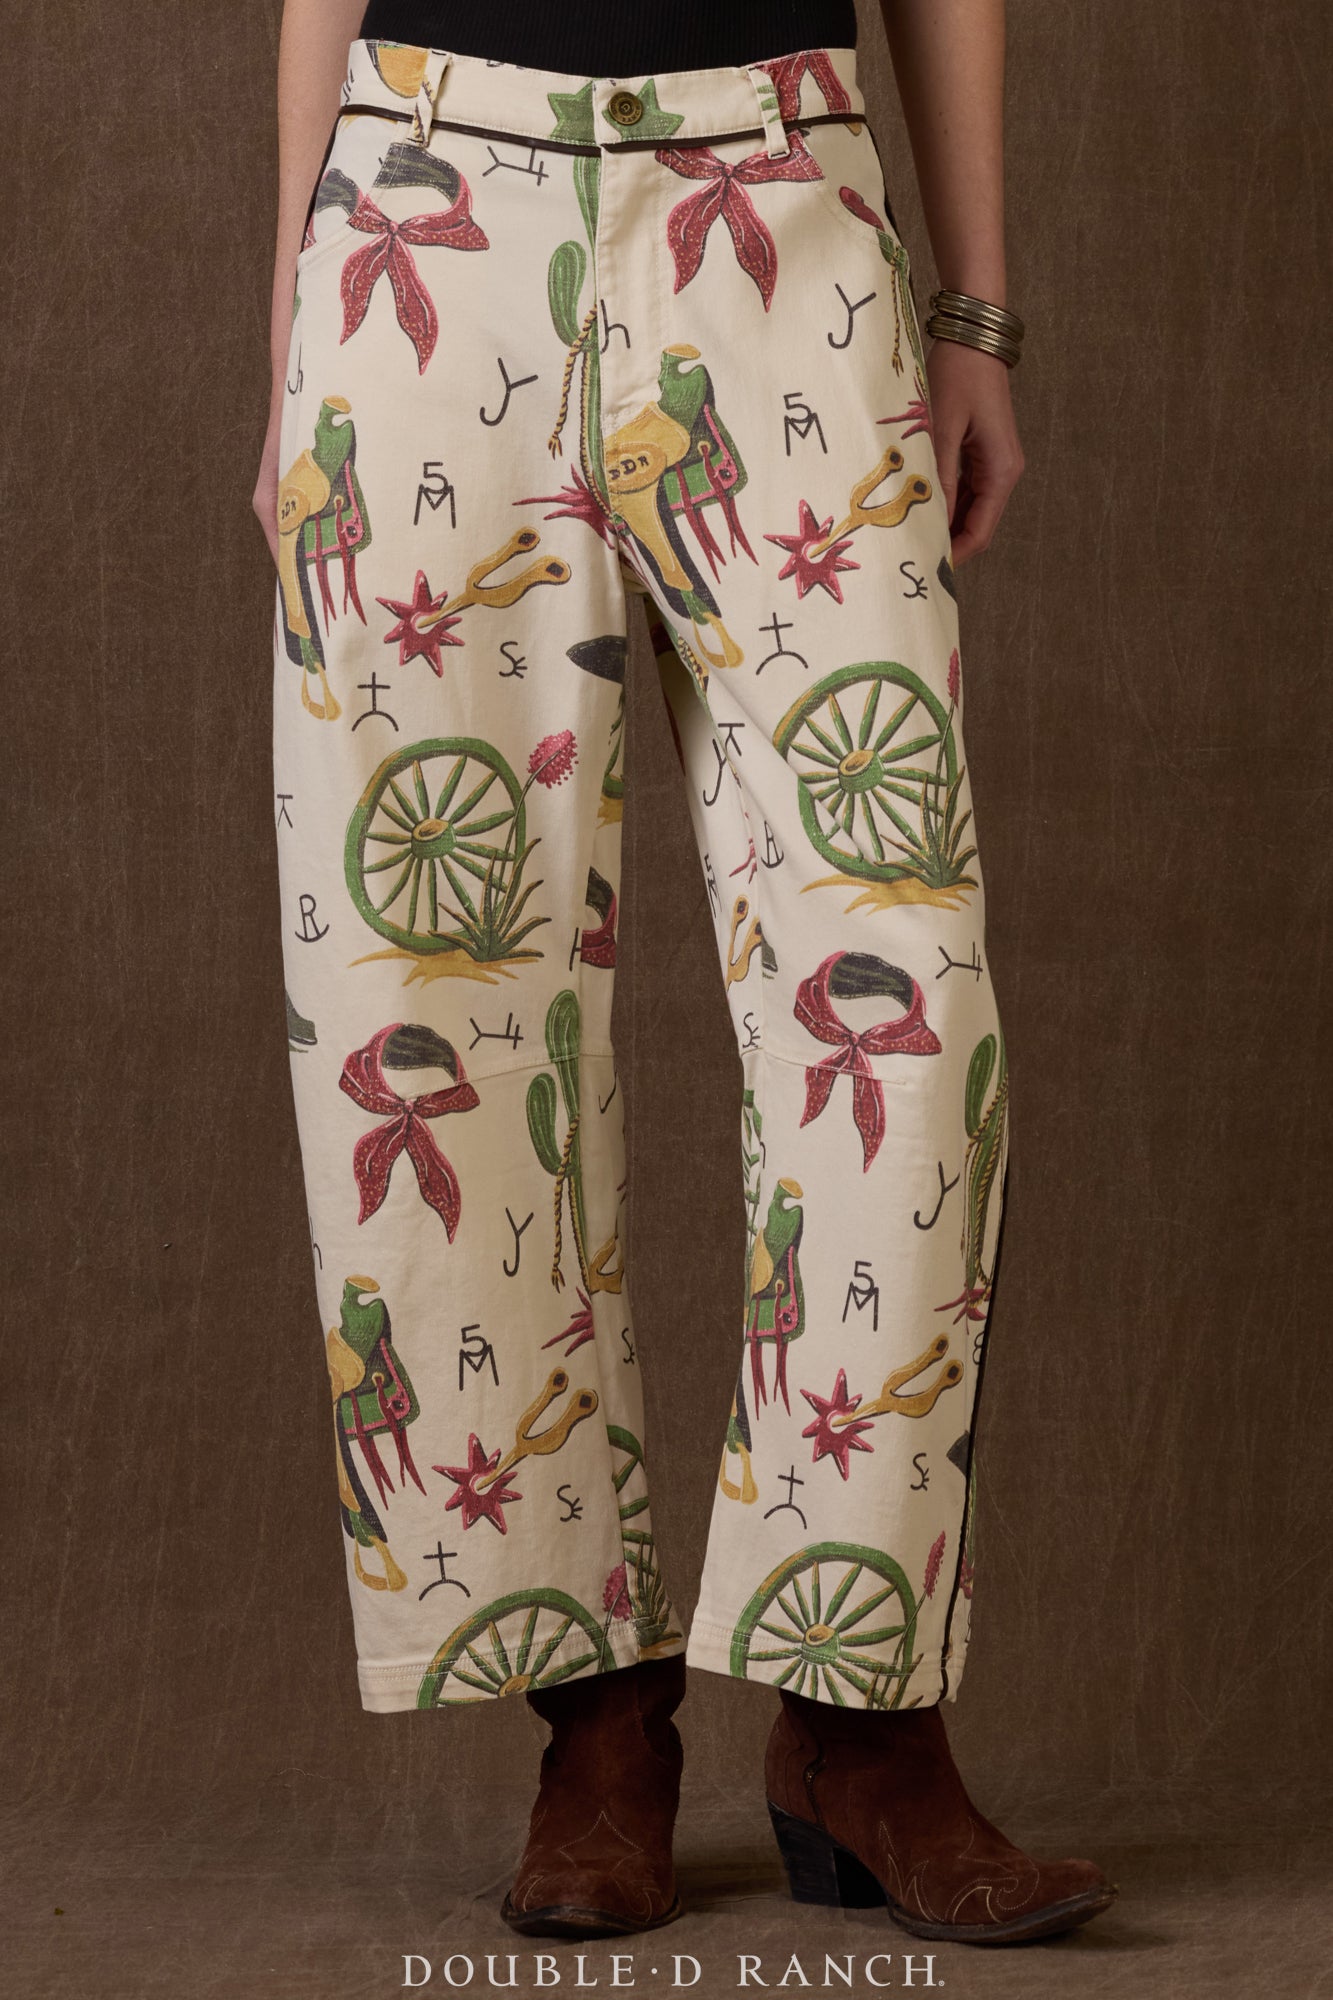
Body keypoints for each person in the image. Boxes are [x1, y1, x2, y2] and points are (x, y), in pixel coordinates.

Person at [253, 0, 1117, 1948]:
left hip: (782, 201)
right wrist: (293, 329)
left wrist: (974, 315)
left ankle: (861, 1715)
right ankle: (596, 1723)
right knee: (434, 1001)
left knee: (904, 990)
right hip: (429, 199)